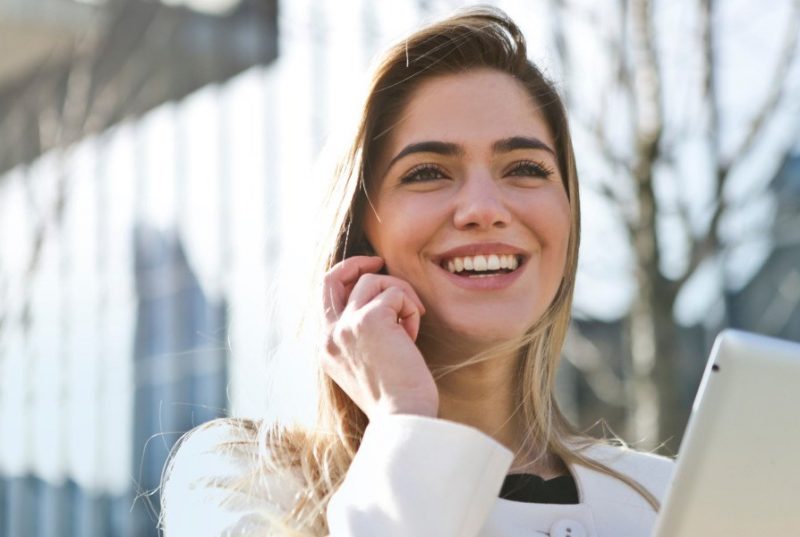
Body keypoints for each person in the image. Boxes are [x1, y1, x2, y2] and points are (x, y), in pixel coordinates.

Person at [160, 6, 674, 537]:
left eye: (525, 168)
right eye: (428, 172)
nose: (484, 207)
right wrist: (405, 421)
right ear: (360, 233)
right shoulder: (245, 483)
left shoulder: (665, 499)